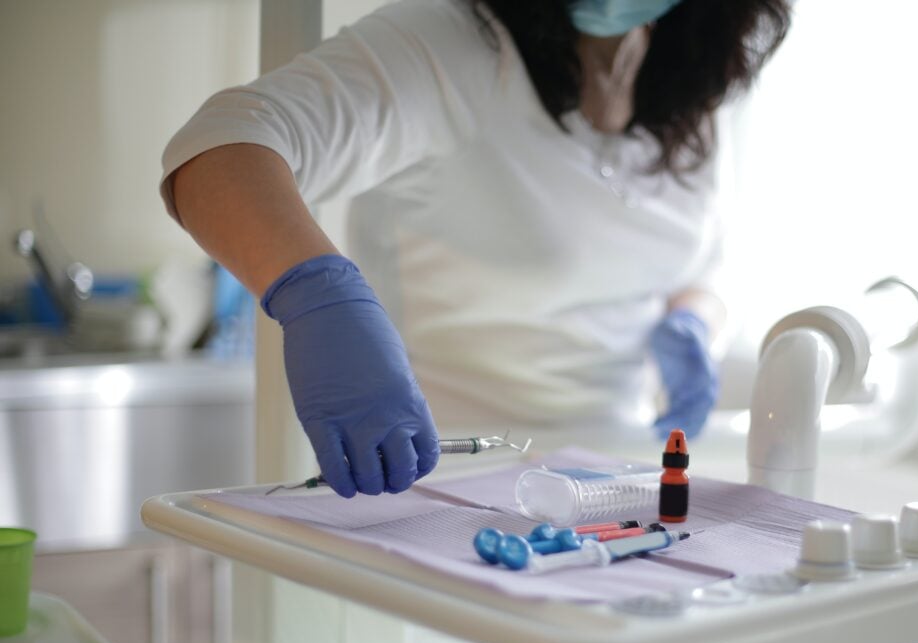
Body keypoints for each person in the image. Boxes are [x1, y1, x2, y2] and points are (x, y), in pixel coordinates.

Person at [161, 0, 791, 498]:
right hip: (438, 492)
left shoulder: (695, 84)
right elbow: (220, 148)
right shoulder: (450, 43)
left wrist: (694, 321)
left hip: (615, 492)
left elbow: (699, 266)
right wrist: (319, 296)